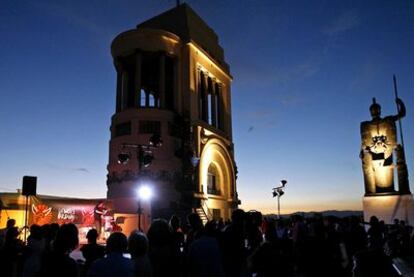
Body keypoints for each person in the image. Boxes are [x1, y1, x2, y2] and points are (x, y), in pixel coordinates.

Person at [360, 97, 406, 194]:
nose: (374, 112)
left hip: (387, 153)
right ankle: (371, 191)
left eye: (375, 110)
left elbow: (402, 114)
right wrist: (362, 151)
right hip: (373, 155)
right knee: (370, 170)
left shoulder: (387, 121)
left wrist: (400, 103)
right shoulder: (366, 125)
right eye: (373, 110)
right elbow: (364, 142)